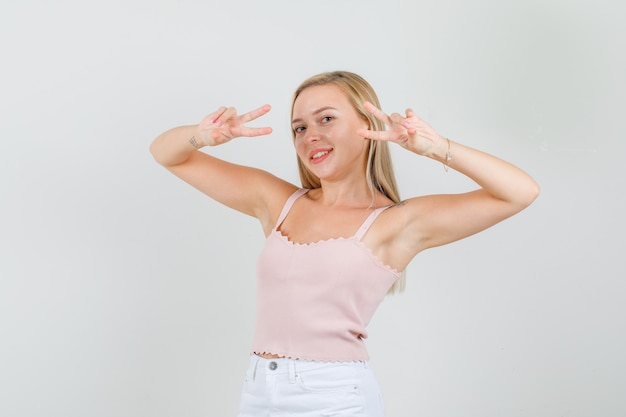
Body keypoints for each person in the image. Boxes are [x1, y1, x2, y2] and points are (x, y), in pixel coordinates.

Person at [150, 71, 540, 416]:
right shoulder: (278, 202)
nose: (311, 135)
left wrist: (437, 148)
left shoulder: (396, 223)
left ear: (367, 124)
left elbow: (519, 193)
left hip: (334, 396)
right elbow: (167, 155)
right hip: (257, 392)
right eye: (299, 127)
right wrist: (202, 136)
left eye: (327, 119)